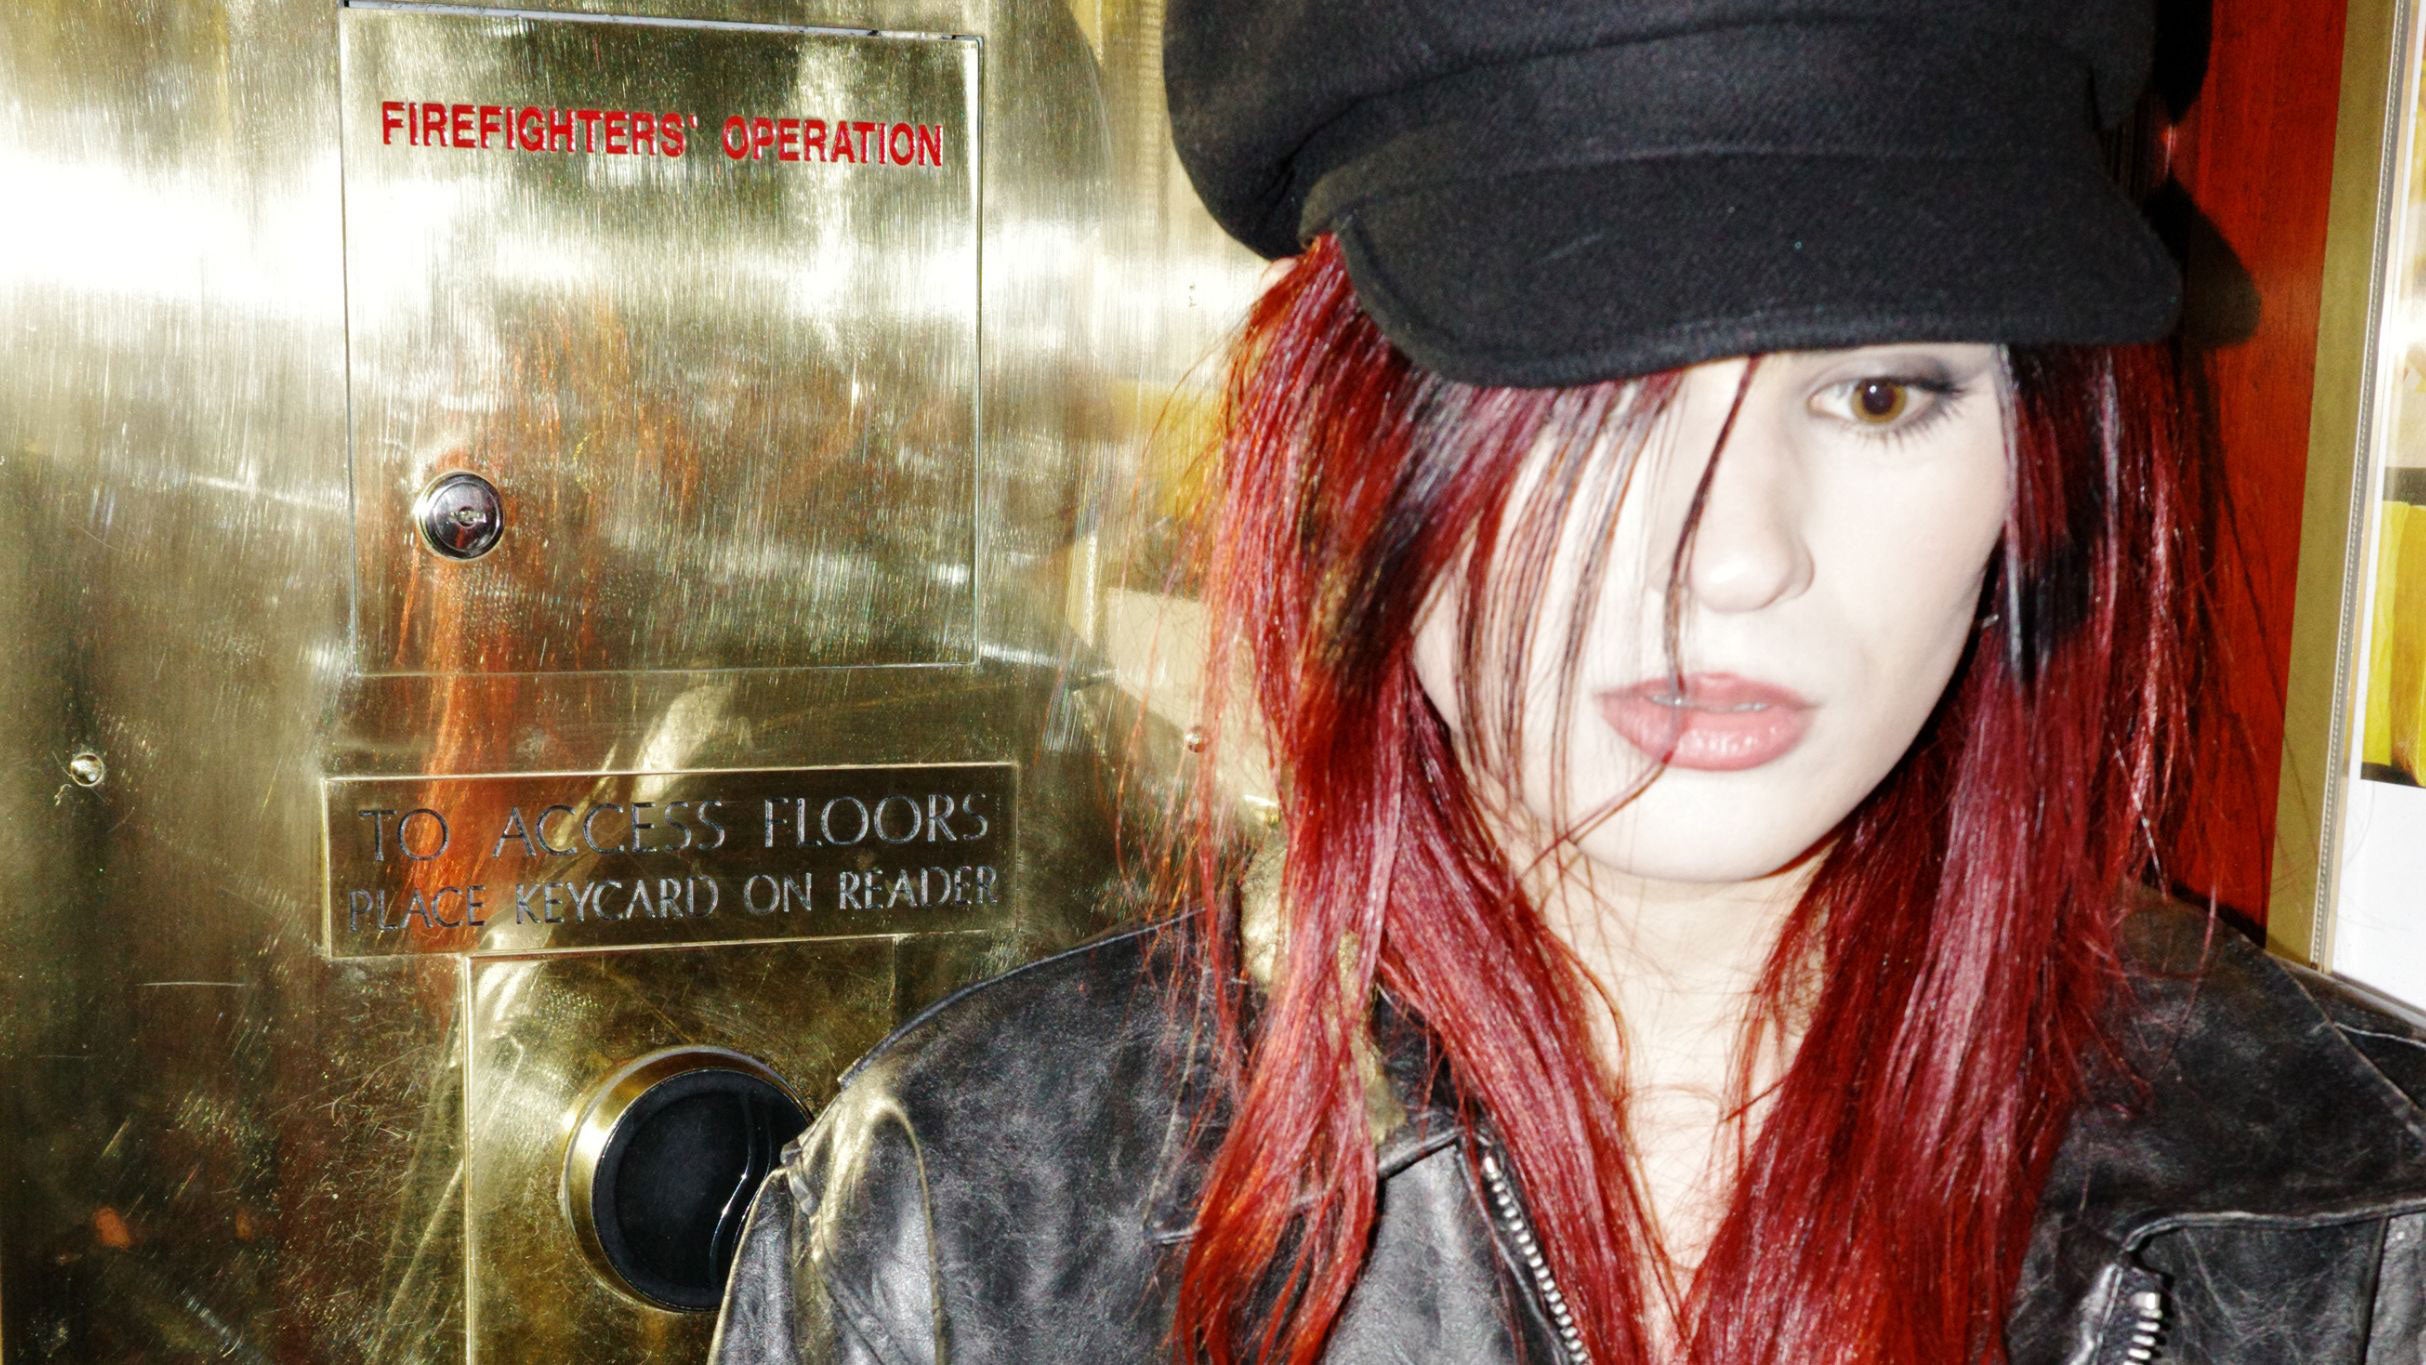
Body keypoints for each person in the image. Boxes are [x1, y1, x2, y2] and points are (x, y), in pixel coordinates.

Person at [710, 0, 2426, 1360]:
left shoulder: (2365, 1239)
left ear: (2036, 462)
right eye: (1593, 389)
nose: (1732, 552)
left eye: (1877, 394)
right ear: (1358, 436)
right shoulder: (966, 1232)